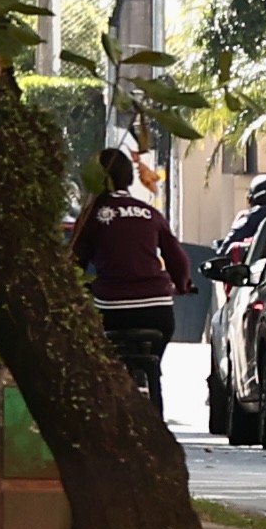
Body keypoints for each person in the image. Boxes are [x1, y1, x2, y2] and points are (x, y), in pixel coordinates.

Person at [77, 148, 191, 401]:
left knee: (105, 371)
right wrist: (182, 285)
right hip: (157, 312)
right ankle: (154, 398)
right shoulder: (150, 213)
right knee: (155, 364)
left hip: (112, 311)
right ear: (128, 177)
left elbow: (75, 265)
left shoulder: (92, 216)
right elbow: (177, 258)